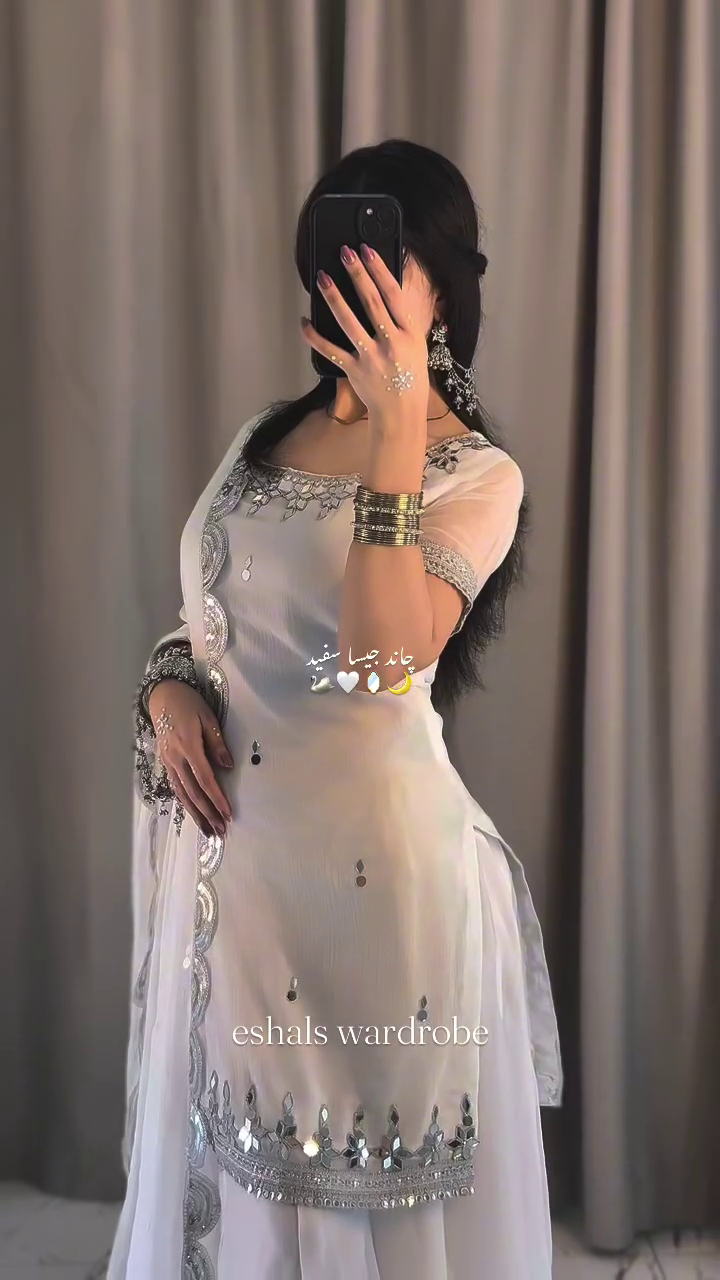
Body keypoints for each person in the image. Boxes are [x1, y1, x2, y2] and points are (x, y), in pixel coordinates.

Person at [109, 138, 563, 1280]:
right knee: (244, 1219)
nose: (349, 273)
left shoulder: (477, 475)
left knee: (373, 1218)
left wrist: (400, 427)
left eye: (382, 253)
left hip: (377, 900)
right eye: (334, 247)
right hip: (236, 903)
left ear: (442, 290)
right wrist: (168, 689)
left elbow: (377, 660)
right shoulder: (264, 438)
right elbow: (216, 624)